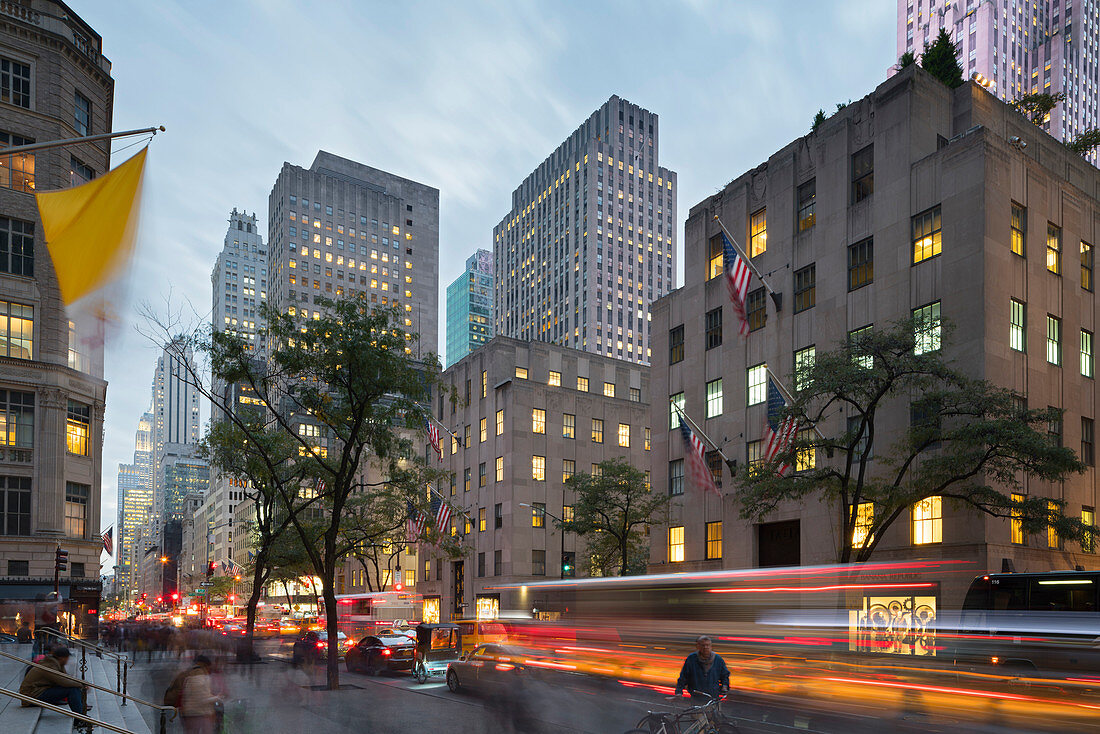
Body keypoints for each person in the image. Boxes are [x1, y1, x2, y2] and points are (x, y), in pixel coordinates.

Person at [19, 647, 90, 716]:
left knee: (74, 687)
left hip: (38, 691)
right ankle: (80, 717)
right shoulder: (49, 666)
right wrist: (82, 684)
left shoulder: (56, 664)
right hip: (31, 697)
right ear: (61, 658)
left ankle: (81, 709)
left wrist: (82, 683)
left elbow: (66, 678)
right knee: (72, 689)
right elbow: (63, 681)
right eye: (67, 657)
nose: (68, 659)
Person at [174, 654, 221, 734]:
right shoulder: (198, 678)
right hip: (197, 714)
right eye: (208, 667)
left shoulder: (191, 675)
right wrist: (218, 697)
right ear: (205, 666)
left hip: (192, 713)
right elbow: (201, 699)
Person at [674, 635, 730, 700]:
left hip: (713, 696)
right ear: (698, 646)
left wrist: (725, 686)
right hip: (696, 696)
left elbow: (725, 675)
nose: (705, 647)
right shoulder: (691, 658)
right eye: (703, 645)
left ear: (711, 646)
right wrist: (679, 692)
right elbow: (684, 677)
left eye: (708, 645)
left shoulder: (718, 659)